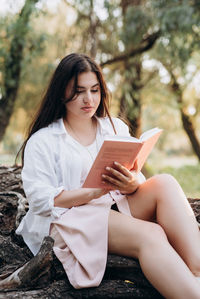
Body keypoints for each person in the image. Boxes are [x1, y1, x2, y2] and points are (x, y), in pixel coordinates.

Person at [16, 53, 200, 298]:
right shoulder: (44, 141)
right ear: (62, 93)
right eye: (79, 91)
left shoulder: (113, 128)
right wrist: (90, 193)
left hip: (113, 204)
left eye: (95, 90)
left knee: (165, 182)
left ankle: (196, 270)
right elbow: (40, 201)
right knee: (151, 234)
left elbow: (134, 175)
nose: (88, 99)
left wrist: (133, 182)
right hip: (70, 218)